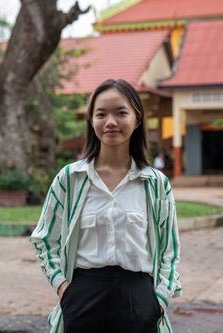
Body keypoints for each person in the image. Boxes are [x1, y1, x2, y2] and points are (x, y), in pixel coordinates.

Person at [30, 79, 181, 333]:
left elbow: (169, 249)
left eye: (121, 112)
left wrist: (160, 299)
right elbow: (44, 240)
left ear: (137, 119)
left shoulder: (156, 184)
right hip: (83, 296)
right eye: (101, 114)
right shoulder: (70, 179)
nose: (110, 122)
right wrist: (64, 290)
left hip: (139, 297)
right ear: (91, 120)